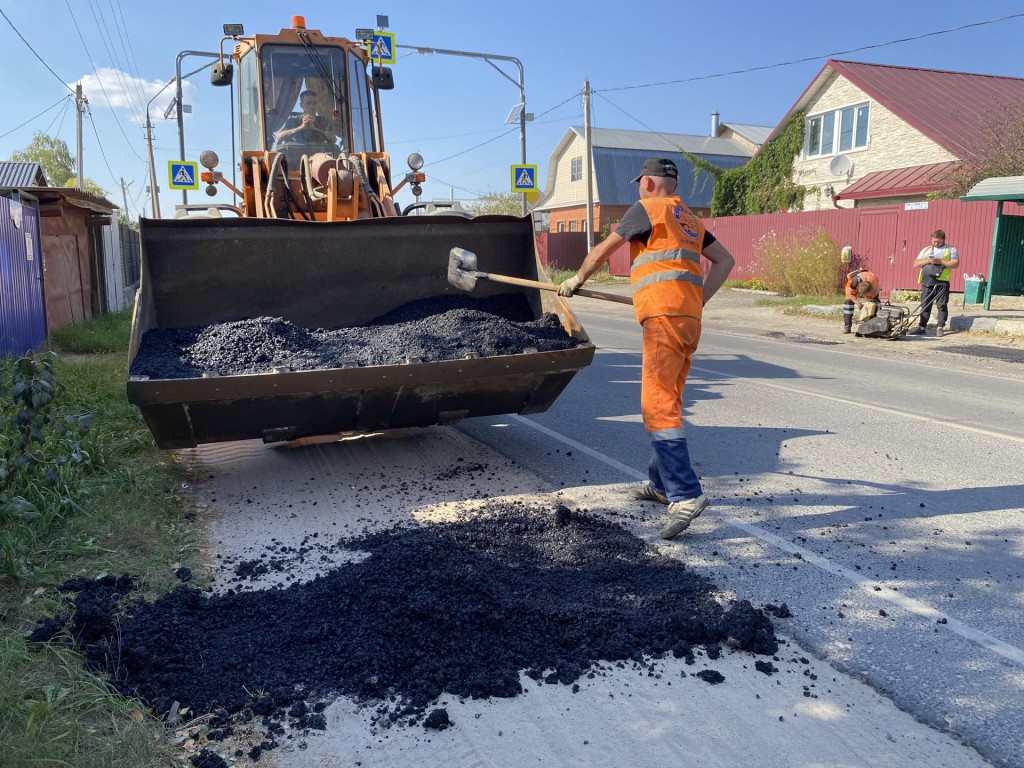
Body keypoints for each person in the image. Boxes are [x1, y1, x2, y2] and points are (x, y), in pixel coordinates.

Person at [557, 158, 735, 539]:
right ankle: (660, 484)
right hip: (688, 319)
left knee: (655, 405)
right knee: (669, 398)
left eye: (641, 182)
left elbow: (603, 250)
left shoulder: (648, 209)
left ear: (650, 184)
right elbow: (725, 261)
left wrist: (575, 279)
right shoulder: (688, 217)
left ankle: (685, 494)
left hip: (663, 318)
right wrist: (697, 299)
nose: (638, 188)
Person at [908, 229, 959, 337]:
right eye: (934, 241)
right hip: (927, 282)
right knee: (925, 305)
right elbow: (916, 264)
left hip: (942, 282)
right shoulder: (926, 250)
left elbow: (955, 264)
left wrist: (940, 261)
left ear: (944, 239)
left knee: (941, 305)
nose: (936, 244)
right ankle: (922, 327)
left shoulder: (951, 250)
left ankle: (940, 327)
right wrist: (928, 261)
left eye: (938, 242)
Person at [842, 268, 880, 334]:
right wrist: (859, 304)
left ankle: (872, 327)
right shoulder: (854, 281)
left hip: (867, 280)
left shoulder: (874, 287)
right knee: (848, 303)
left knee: (874, 304)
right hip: (852, 285)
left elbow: (875, 300)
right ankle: (847, 327)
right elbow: (849, 294)